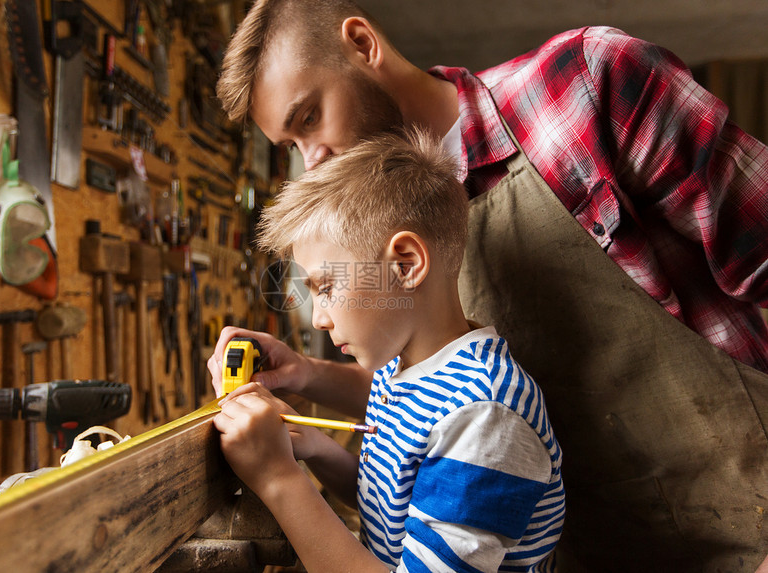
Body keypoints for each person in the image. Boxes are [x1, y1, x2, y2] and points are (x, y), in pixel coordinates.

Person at [211, 1, 768, 569]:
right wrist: (305, 378)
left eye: (309, 119)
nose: (315, 161)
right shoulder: (401, 233)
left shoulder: (583, 85)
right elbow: (433, 400)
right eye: (292, 146)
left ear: (362, 44)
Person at [214, 128, 565, 572]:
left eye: (325, 286)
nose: (319, 317)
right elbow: (386, 509)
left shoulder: (484, 416)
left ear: (405, 265)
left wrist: (278, 478)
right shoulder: (402, 369)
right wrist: (315, 448)